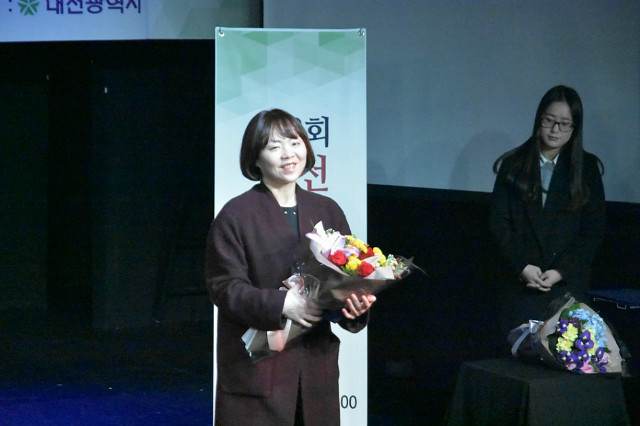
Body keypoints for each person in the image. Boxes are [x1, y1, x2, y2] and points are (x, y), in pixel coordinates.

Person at [206, 108, 376, 425]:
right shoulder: (236, 215)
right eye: (275, 146)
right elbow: (224, 288)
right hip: (258, 371)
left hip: (314, 371)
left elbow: (347, 276)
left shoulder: (327, 209)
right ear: (255, 158)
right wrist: (283, 303)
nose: (289, 154)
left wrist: (352, 306)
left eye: (295, 143)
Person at [490, 85, 605, 337]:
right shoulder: (513, 165)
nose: (555, 130)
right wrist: (523, 266)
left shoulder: (586, 169)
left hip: (565, 286)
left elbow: (592, 232)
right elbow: (499, 225)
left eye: (564, 124)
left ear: (575, 127)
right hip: (519, 284)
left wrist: (560, 271)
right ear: (539, 120)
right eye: (549, 121)